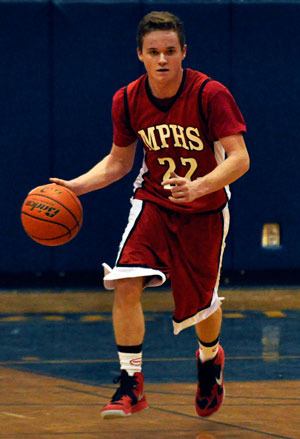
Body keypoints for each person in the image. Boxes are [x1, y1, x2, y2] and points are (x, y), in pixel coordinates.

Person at [50, 10, 250, 419]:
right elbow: (119, 162)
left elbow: (240, 158)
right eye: (154, 52)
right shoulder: (126, 99)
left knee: (203, 308)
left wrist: (199, 186)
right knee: (124, 280)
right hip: (153, 202)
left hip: (205, 208)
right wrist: (76, 187)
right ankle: (130, 383)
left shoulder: (210, 94)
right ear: (139, 54)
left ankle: (210, 359)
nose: (162, 59)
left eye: (170, 51)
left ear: (184, 53)